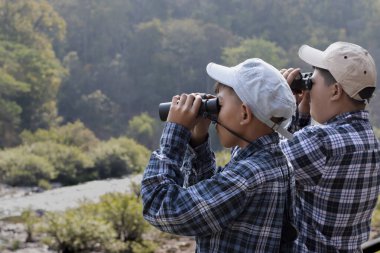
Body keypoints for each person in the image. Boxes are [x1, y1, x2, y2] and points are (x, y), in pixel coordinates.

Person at [141, 58, 297, 252]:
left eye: (219, 104)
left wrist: (175, 133)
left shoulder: (249, 175)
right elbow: (207, 198)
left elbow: (160, 206)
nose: (213, 115)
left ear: (244, 114)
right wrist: (198, 141)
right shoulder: (267, 159)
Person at [280, 41, 380, 252]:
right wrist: (302, 112)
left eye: (311, 83)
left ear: (335, 91)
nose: (307, 89)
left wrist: (277, 102)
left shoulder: (321, 141)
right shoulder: (372, 144)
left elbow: (258, 161)